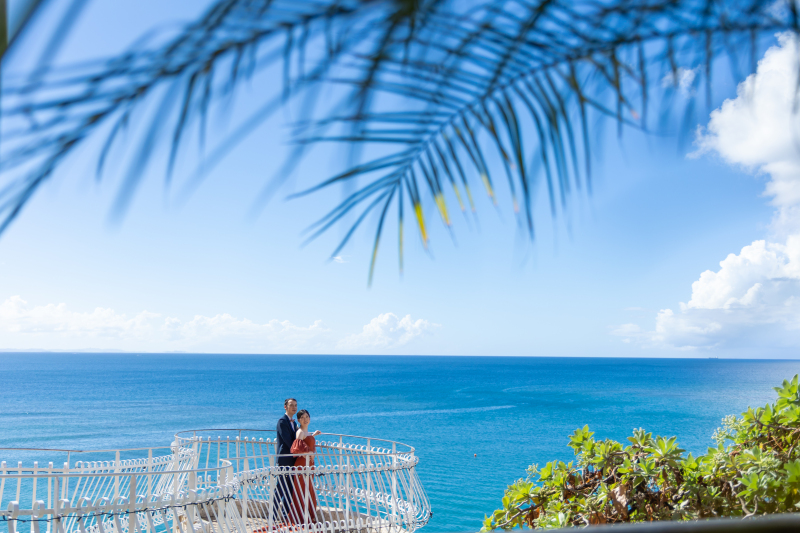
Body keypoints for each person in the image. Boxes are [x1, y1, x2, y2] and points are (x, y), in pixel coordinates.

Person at [290, 409, 321, 525]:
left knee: (309, 490)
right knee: (302, 490)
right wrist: (310, 454)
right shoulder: (300, 432)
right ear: (298, 420)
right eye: (302, 417)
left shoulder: (306, 432)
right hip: (302, 464)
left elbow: (307, 443)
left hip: (310, 464)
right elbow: (297, 449)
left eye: (307, 417)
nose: (305, 419)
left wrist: (313, 435)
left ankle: (308, 517)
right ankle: (300, 518)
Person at [275, 398, 298, 522]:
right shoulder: (282, 421)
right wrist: (300, 450)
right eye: (291, 405)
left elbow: (297, 437)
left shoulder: (293, 423)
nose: (294, 407)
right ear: (285, 407)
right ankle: (272, 515)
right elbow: (288, 441)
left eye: (295, 405)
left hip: (291, 459)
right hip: (284, 460)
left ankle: (285, 516)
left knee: (289, 489)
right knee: (281, 488)